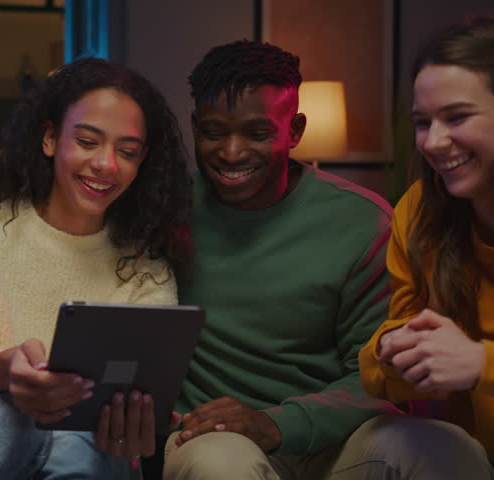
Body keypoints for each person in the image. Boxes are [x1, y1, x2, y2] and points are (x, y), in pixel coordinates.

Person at [163, 39, 491, 480]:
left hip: (340, 442)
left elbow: (376, 378)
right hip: (215, 437)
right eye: (214, 131)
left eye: (257, 133)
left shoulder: (363, 221)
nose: (232, 152)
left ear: (295, 131)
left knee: (449, 450)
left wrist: (277, 424)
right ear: (194, 126)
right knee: (220, 465)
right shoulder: (162, 211)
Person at [0, 57, 192, 479]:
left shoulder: (145, 264)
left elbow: (144, 387)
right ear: (50, 139)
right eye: (88, 142)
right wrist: (7, 371)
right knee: (11, 410)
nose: (106, 164)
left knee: (75, 426)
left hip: (98, 451)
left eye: (126, 152)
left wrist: (142, 419)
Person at [360, 17, 494, 468]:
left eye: (456, 117)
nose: (434, 142)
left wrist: (480, 363)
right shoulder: (418, 210)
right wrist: (394, 349)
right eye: (422, 122)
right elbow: (390, 355)